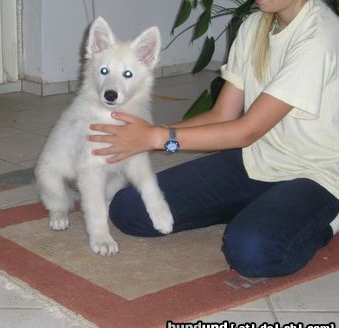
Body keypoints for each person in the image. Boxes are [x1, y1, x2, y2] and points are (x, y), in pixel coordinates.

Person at [87, 0, 339, 278]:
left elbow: (247, 130)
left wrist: (154, 138)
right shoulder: (255, 25)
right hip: (257, 158)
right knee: (130, 210)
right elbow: (223, 115)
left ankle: (329, 222)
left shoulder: (320, 35)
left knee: (252, 252)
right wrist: (146, 135)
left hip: (320, 174)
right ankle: (258, 208)